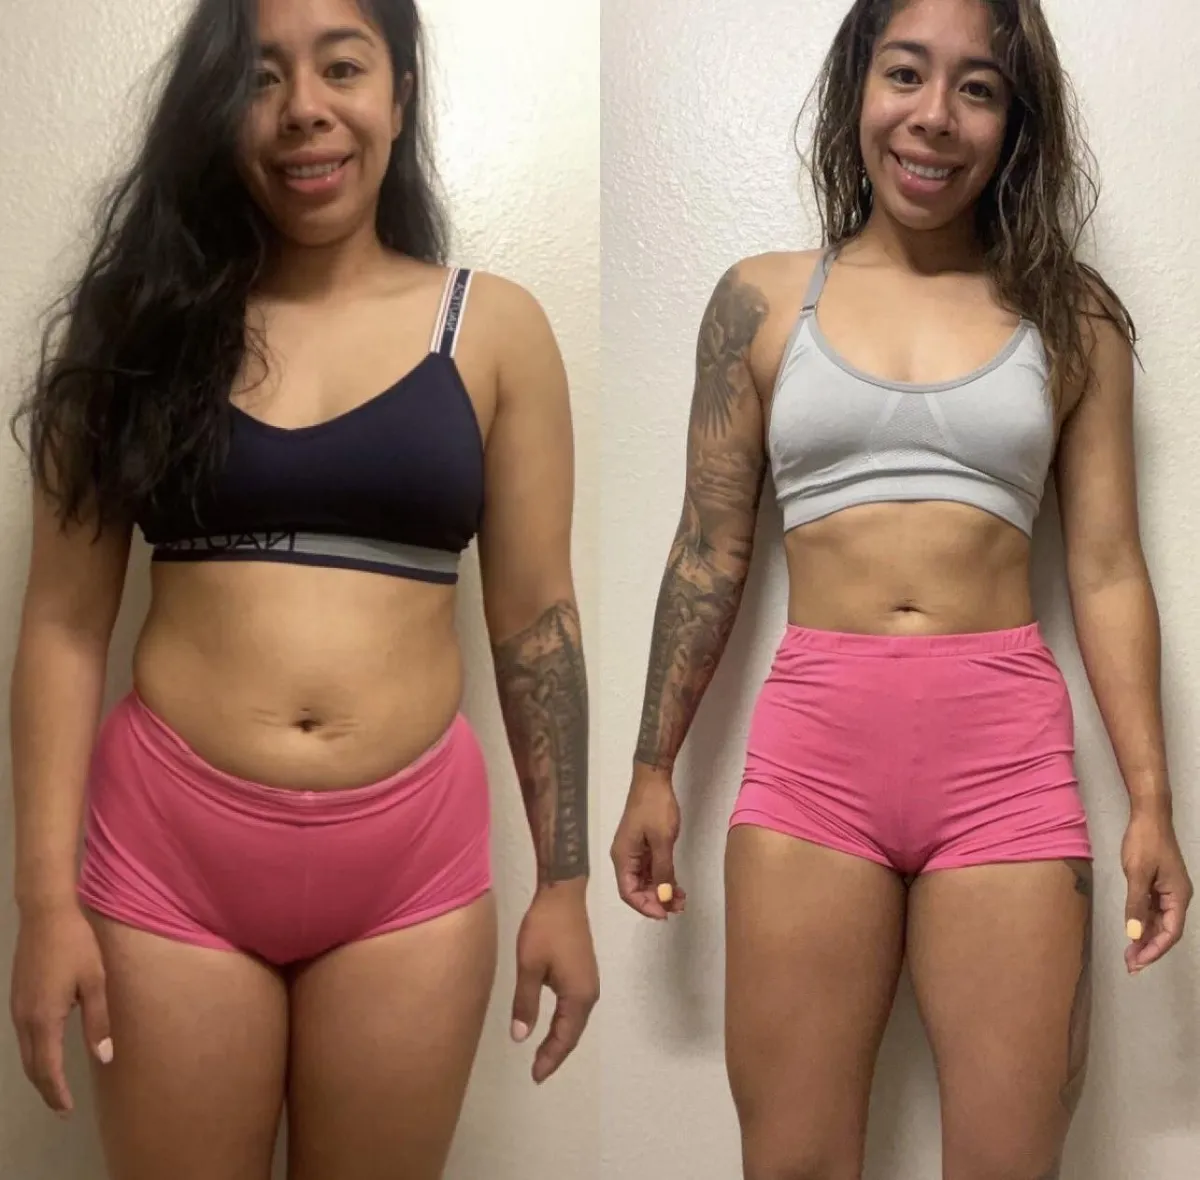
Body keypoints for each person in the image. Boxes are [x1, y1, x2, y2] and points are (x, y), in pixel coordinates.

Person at [7, 0, 598, 1177]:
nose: (305, 111)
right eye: (263, 76)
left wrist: (565, 883)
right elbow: (64, 627)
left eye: (343, 67)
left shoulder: (494, 330)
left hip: (409, 875)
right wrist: (41, 906)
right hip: (170, 858)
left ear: (400, 94)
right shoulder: (138, 328)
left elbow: (536, 621)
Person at [610, 0, 1192, 1177]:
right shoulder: (759, 301)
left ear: (1016, 122)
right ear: (857, 92)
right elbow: (708, 551)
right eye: (907, 74)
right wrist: (651, 768)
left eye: (978, 89)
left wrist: (1152, 803)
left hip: (1006, 765)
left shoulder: (1073, 315)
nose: (935, 116)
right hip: (812, 762)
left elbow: (1106, 568)